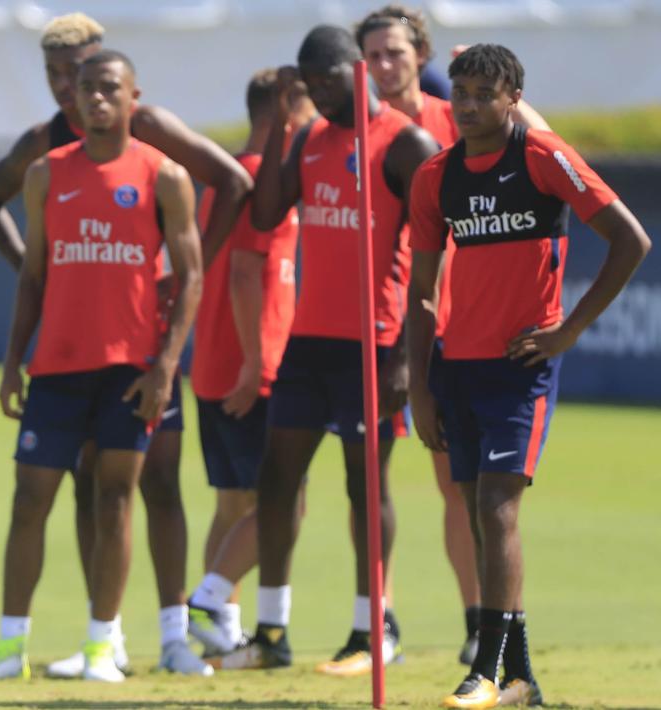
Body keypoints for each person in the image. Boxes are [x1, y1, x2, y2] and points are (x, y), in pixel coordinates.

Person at [0, 13, 250, 676]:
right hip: (71, 354)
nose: (72, 88)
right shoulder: (44, 152)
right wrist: (45, 275)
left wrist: (170, 277)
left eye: (84, 74)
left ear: (118, 80)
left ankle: (176, 635)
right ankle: (107, 638)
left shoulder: (150, 138)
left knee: (156, 486)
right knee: (82, 490)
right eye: (57, 76)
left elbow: (232, 183)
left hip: (143, 348)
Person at [407, 44, 650, 708]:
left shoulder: (543, 157)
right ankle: (518, 679)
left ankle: (486, 669)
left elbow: (630, 240)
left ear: (512, 97)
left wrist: (568, 330)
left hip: (520, 369)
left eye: (484, 93)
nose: (468, 106)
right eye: (459, 93)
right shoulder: (434, 176)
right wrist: (419, 384)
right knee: (480, 517)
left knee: (495, 507)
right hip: (453, 366)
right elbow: (421, 291)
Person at [355, 3, 555, 665]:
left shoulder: (457, 121)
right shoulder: (357, 131)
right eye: (372, 56)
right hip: (387, 328)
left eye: (394, 53)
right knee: (367, 477)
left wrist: (507, 92)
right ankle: (374, 623)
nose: (383, 67)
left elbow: (547, 155)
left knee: (463, 490)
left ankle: (480, 627)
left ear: (421, 56)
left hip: (462, 337)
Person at [236, 25, 438, 675]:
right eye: (309, 85)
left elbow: (437, 250)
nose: (318, 95)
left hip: (374, 344)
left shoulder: (404, 143)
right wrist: (278, 133)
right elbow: (265, 215)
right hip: (308, 340)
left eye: (325, 82)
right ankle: (270, 632)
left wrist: (409, 353)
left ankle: (373, 628)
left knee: (363, 485)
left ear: (355, 72)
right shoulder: (310, 138)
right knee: (275, 478)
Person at [184, 68, 311, 658]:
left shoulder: (226, 177)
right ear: (285, 110)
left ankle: (220, 630)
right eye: (309, 108)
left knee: (235, 504)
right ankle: (210, 601)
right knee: (284, 498)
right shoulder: (264, 181)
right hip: (248, 370)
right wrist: (258, 365)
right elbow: (242, 275)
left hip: (214, 363)